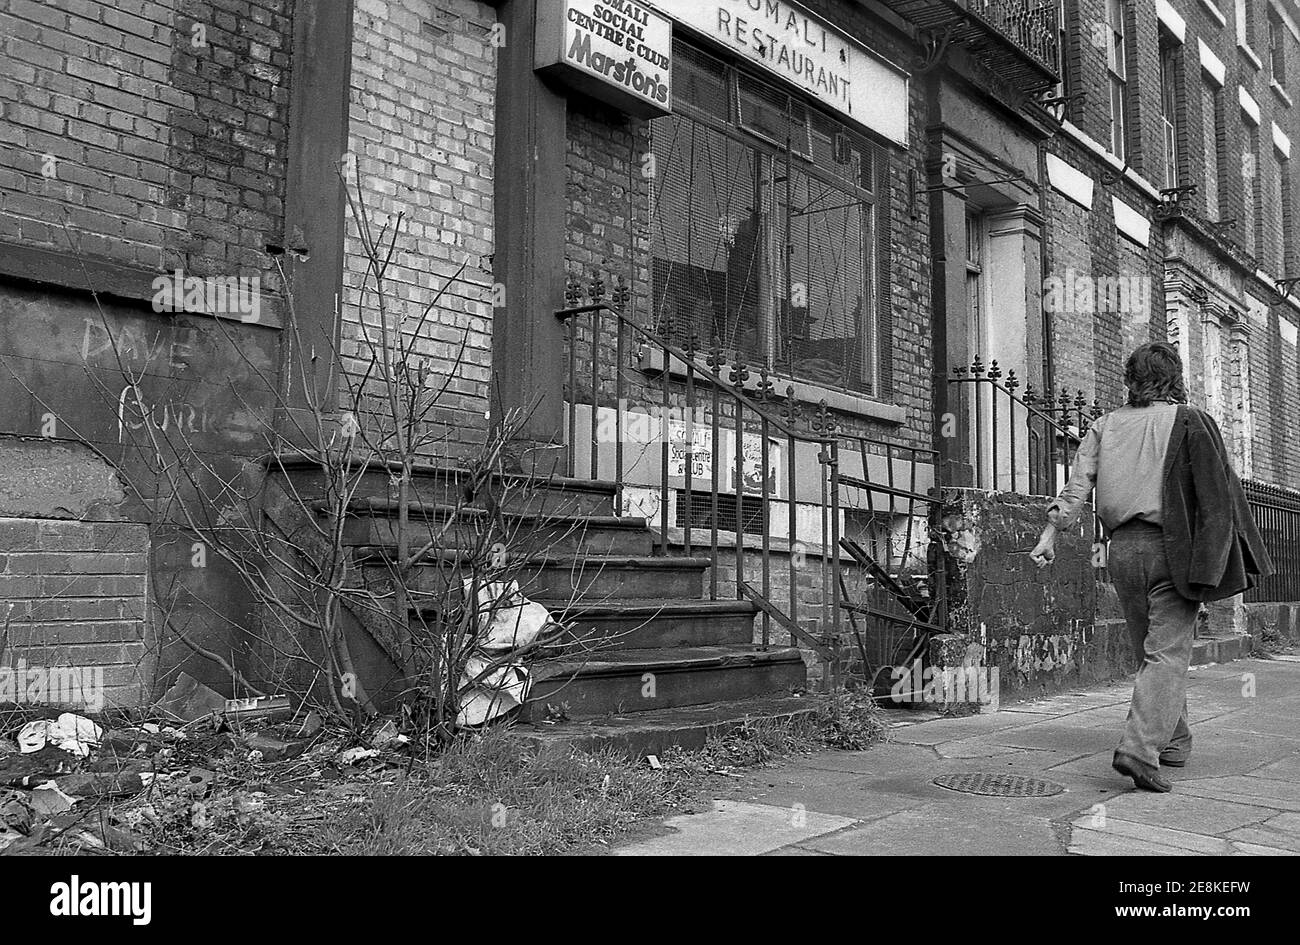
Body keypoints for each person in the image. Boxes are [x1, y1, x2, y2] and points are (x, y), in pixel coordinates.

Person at [1030, 342, 1272, 792]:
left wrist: (1050, 534)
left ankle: (1174, 743)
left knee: (1153, 651)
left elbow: (1076, 486)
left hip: (1121, 551)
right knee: (1168, 653)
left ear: (1131, 378)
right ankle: (1139, 750)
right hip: (1172, 549)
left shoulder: (1104, 425)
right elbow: (1218, 494)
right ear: (1174, 376)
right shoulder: (1189, 419)